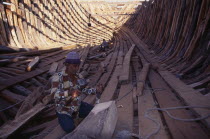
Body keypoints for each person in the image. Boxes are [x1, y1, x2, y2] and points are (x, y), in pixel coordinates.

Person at [49, 52, 103, 133]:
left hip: (77, 106)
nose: (77, 68)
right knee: (69, 128)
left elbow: (85, 89)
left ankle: (77, 116)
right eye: (74, 66)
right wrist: (69, 93)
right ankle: (62, 118)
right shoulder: (58, 77)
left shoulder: (79, 76)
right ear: (67, 64)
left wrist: (95, 90)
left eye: (78, 66)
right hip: (64, 109)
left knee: (94, 112)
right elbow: (53, 95)